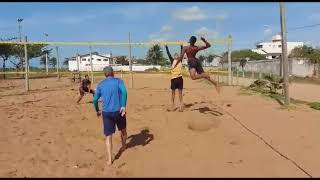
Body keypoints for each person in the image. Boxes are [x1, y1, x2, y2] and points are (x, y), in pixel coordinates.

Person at [93, 66, 128, 166]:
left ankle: (109, 159)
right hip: (119, 111)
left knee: (108, 137)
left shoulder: (100, 84)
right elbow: (124, 92)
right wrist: (123, 106)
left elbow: (95, 100)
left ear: (105, 74)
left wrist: (97, 110)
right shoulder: (118, 81)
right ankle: (124, 145)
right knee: (123, 130)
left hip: (106, 113)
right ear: (113, 73)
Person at [165, 44, 184, 112]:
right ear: (174, 56)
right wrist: (166, 47)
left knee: (180, 93)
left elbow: (182, 53)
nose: (176, 55)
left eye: (177, 54)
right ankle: (172, 106)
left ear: (178, 56)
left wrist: (181, 47)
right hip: (173, 79)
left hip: (179, 79)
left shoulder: (180, 60)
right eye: (175, 55)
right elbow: (168, 54)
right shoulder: (172, 61)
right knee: (173, 93)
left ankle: (181, 107)